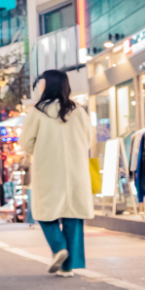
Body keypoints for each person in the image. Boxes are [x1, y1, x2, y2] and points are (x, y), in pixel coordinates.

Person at [19, 71, 95, 277]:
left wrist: (39, 149)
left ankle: (59, 246)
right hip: (76, 171)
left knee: (44, 212)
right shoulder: (78, 111)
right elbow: (88, 141)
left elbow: (26, 143)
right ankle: (68, 266)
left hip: (48, 169)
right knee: (73, 214)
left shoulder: (38, 112)